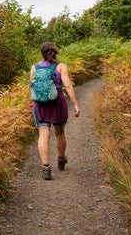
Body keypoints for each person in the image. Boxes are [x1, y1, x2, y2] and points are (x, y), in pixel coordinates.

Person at [29, 41, 80, 180]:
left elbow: (32, 86)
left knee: (43, 134)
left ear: (42, 53)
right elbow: (68, 85)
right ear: (55, 52)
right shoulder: (61, 66)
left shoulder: (35, 67)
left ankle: (46, 168)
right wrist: (75, 103)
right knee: (60, 132)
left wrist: (34, 105)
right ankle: (61, 159)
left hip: (40, 104)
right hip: (57, 103)